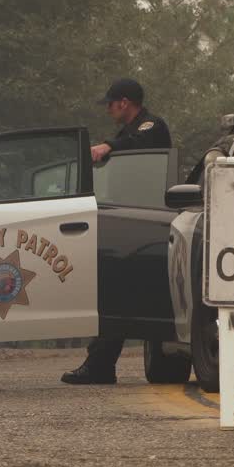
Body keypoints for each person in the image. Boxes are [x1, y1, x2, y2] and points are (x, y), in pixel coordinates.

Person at [62, 78, 172, 385]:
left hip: (150, 222)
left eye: (110, 103)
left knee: (119, 290)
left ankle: (100, 364)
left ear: (124, 102)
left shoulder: (151, 126)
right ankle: (101, 363)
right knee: (119, 290)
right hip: (132, 220)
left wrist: (110, 146)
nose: (108, 109)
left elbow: (139, 145)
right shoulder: (128, 131)